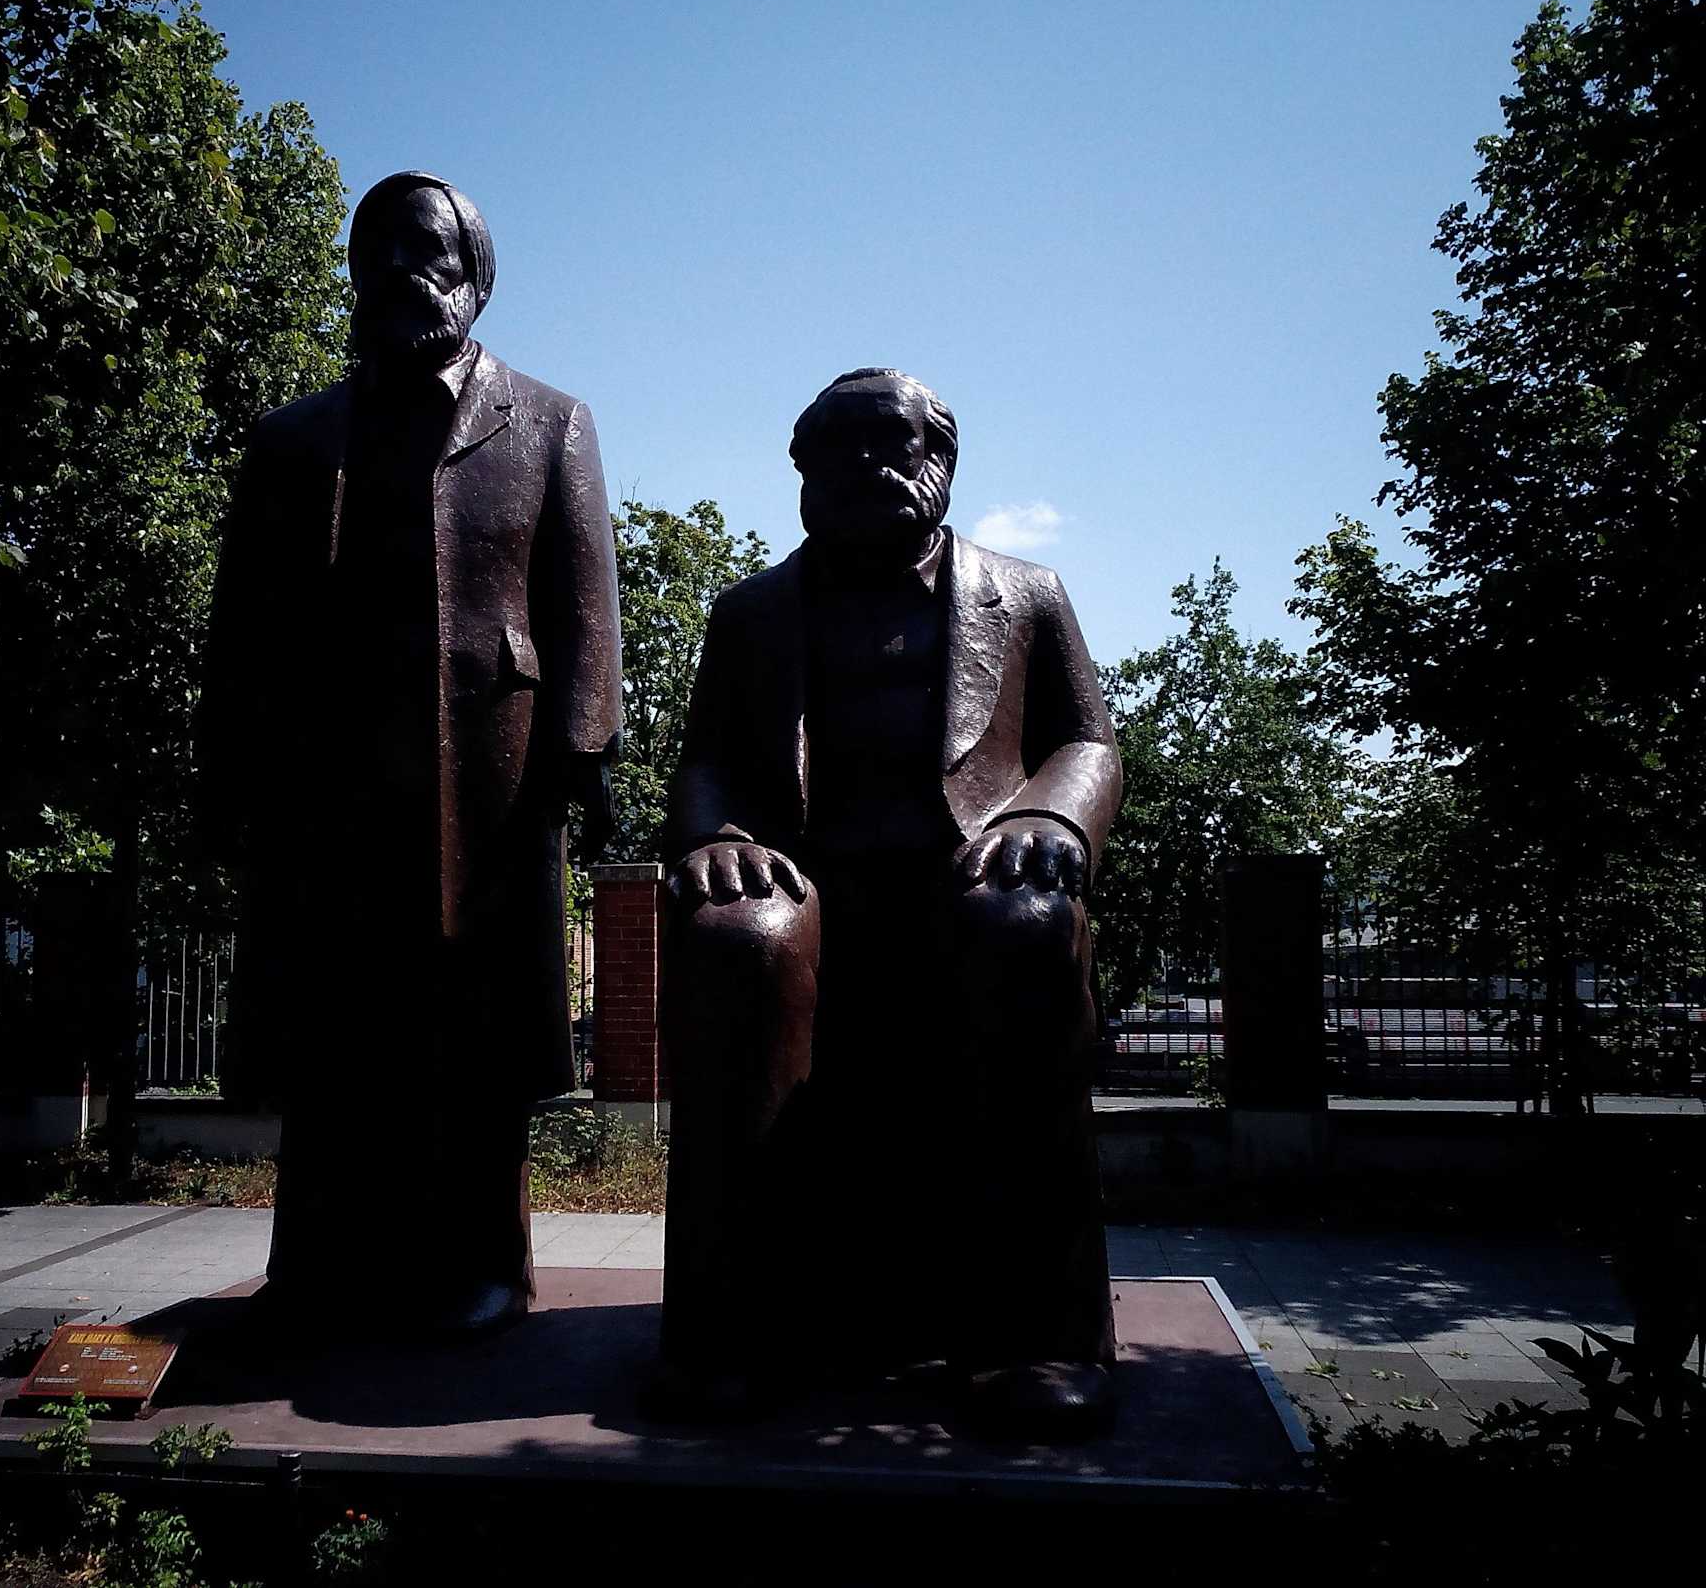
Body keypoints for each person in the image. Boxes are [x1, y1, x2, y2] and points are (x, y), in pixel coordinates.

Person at [653, 368, 1121, 1437]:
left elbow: (1087, 741)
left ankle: (1039, 1336)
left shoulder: (1027, 594)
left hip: (965, 888)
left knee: (1022, 926)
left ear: (942, 461)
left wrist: (1048, 817)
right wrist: (718, 839)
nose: (868, 467)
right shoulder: (750, 614)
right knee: (742, 937)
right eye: (839, 451)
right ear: (802, 472)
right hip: (813, 885)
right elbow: (707, 761)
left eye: (894, 445)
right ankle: (736, 1332)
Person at [196, 172, 622, 1336]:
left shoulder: (549, 421)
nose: (399, 272)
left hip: (490, 771)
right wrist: (226, 773)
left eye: (426, 253)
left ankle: (487, 1260)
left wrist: (586, 750)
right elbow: (242, 626)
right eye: (376, 251)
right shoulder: (292, 439)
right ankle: (318, 1256)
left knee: (475, 1022)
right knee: (332, 1014)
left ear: (474, 278)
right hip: (326, 773)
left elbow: (586, 600)